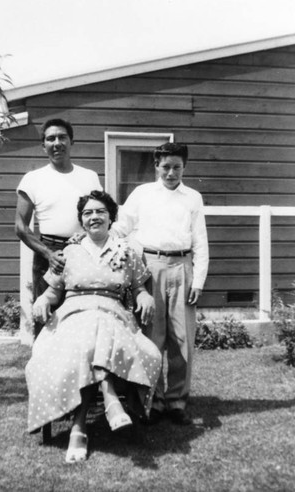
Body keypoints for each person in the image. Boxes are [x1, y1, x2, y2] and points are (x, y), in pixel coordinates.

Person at [26, 190, 162, 463]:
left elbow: (138, 288)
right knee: (90, 326)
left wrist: (145, 296)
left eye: (100, 211)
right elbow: (53, 292)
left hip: (114, 316)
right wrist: (42, 299)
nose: (94, 216)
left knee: (96, 327)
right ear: (82, 221)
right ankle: (110, 399)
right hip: (72, 317)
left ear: (111, 216)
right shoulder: (68, 253)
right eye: (87, 213)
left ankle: (79, 427)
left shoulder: (128, 251)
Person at [112, 142, 209, 425]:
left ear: (184, 167)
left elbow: (200, 241)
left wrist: (198, 280)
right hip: (150, 267)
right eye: (165, 167)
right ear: (156, 166)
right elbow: (120, 227)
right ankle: (153, 400)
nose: (170, 173)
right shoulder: (142, 194)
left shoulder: (192, 197)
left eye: (176, 167)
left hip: (182, 267)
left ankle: (177, 401)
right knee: (152, 336)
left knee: (182, 340)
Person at [15, 118, 102, 334]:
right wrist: (48, 254)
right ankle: (42, 367)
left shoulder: (89, 177)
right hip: (49, 254)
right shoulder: (33, 179)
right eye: (50, 138)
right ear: (43, 145)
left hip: (84, 252)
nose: (57, 143)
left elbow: (102, 213)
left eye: (62, 137)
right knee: (46, 320)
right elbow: (20, 226)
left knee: (83, 319)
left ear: (71, 141)